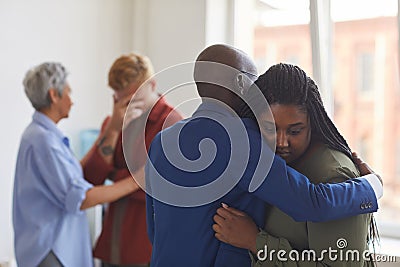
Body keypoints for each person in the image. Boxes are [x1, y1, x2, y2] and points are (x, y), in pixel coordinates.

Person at [145, 44, 382, 267]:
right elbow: (311, 203)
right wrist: (372, 186)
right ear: (240, 81)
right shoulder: (242, 139)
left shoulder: (162, 141)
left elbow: (154, 228)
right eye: (254, 81)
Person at [212, 63, 378, 266]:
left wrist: (255, 242)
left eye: (295, 131)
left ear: (312, 123)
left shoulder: (334, 176)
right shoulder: (265, 160)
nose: (281, 142)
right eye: (270, 128)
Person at [13, 62, 141, 267]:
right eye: (69, 93)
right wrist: (136, 181)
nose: (72, 101)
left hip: (47, 247)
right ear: (54, 95)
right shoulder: (45, 142)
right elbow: (81, 197)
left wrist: (111, 131)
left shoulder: (41, 136)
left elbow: (74, 176)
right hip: (52, 250)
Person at [81, 53, 183, 266]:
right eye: (121, 98)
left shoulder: (173, 124)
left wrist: (114, 176)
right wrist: (113, 129)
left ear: (152, 85)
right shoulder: (114, 122)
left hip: (148, 248)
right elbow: (90, 178)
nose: (128, 104)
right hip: (113, 244)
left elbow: (159, 187)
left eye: (134, 97)